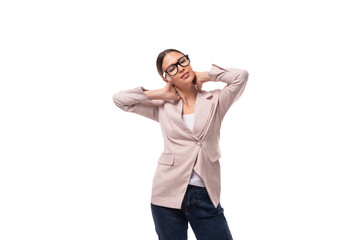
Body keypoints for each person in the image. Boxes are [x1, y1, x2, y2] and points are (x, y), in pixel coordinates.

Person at [113, 49, 249, 240]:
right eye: (172, 68)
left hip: (205, 193)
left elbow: (241, 76)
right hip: (166, 192)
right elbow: (120, 100)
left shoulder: (216, 100)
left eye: (182, 61)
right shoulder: (163, 106)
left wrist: (208, 75)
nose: (181, 68)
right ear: (166, 77)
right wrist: (159, 93)